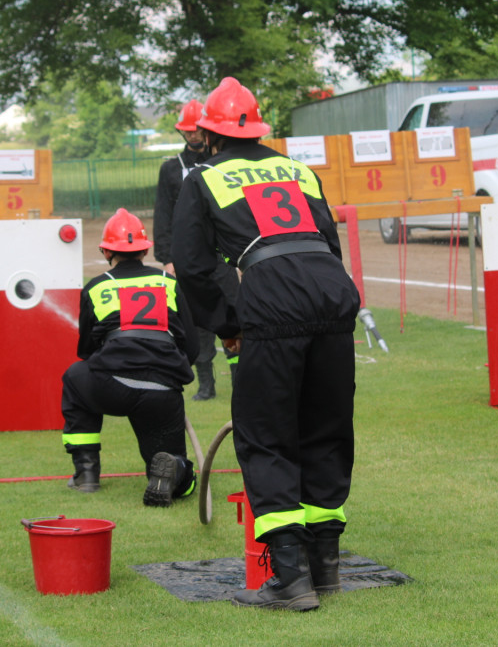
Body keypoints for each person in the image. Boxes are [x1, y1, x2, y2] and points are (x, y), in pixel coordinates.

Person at [171, 77, 360, 611]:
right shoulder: (300, 170)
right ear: (256, 127)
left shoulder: (204, 176)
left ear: (208, 133)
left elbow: (193, 264)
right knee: (325, 429)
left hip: (272, 305)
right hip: (331, 297)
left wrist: (229, 321)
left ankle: (290, 580)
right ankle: (327, 569)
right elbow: (328, 240)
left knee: (267, 436)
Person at [60, 208, 200, 506]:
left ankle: (86, 473)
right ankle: (176, 473)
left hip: (111, 384)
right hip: (162, 391)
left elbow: (85, 350)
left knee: (75, 376)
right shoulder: (169, 282)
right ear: (145, 249)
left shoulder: (96, 287)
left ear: (104, 251)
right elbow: (192, 345)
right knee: (169, 463)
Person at [153, 98, 240, 401]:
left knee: (234, 311)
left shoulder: (223, 165)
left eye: (196, 130)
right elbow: (162, 214)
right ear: (182, 133)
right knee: (198, 320)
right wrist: (167, 258)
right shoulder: (170, 170)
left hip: (222, 255)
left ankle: (241, 378)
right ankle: (206, 385)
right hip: (189, 258)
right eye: (187, 131)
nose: (193, 136)